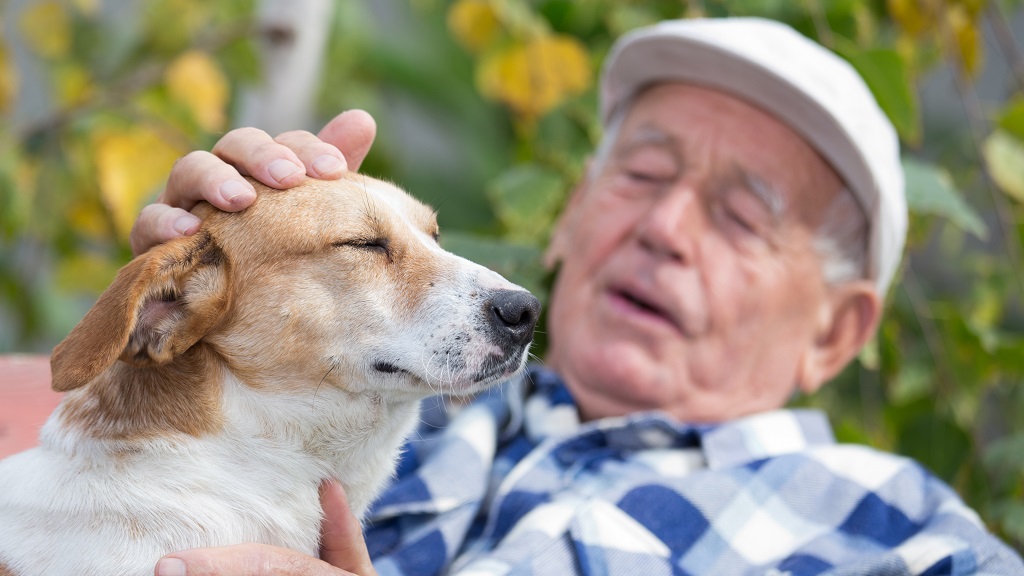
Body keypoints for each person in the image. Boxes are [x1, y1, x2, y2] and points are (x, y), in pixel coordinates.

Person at [131, 17, 1022, 575]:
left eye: (743, 217)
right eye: (643, 174)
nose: (664, 226)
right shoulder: (378, 392)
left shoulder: (900, 535)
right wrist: (215, 287)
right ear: (569, 217)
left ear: (836, 332)